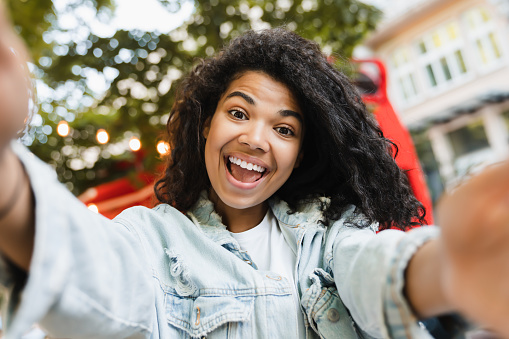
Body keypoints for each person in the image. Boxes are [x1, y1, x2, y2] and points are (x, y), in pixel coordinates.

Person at [1, 2, 509, 337]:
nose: (256, 139)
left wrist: (453, 268)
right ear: (205, 124)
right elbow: (91, 269)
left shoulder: (330, 238)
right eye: (238, 113)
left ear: (302, 152)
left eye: (284, 129)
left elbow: (378, 270)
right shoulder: (150, 242)